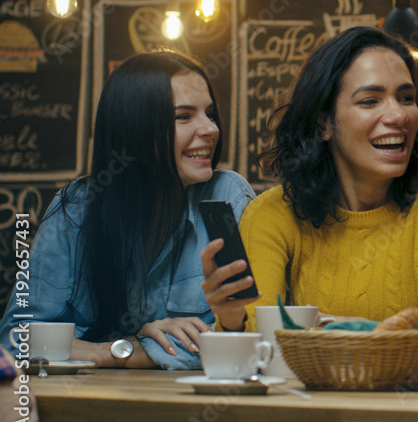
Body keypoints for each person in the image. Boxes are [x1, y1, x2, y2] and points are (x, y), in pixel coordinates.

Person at [0, 50, 254, 370]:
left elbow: (242, 339)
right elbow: (15, 339)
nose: (210, 129)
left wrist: (123, 351)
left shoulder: (227, 196)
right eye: (184, 116)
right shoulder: (77, 207)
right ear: (136, 129)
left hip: (191, 409)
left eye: (210, 113)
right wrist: (119, 347)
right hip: (88, 412)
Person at [201, 26, 418, 333]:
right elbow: (260, 345)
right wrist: (231, 320)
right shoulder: (272, 216)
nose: (399, 116)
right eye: (370, 101)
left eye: (406, 97)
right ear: (325, 123)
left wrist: (360, 333)